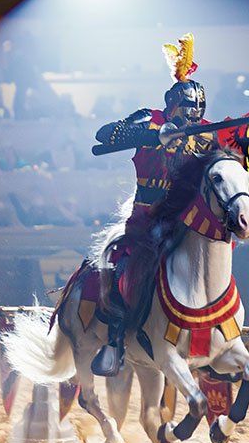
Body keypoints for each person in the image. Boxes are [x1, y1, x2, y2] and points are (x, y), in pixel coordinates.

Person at [89, 33, 219, 376]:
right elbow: (106, 134)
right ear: (174, 105)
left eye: (198, 111)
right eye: (188, 110)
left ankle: (217, 338)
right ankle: (115, 340)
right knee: (122, 270)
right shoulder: (151, 119)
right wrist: (152, 135)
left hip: (186, 224)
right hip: (146, 222)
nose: (193, 116)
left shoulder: (208, 133)